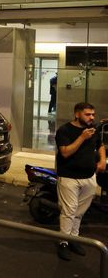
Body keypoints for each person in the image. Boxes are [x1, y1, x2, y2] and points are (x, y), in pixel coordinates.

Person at [54, 102, 106, 260]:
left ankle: (73, 239)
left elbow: (100, 145)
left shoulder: (93, 129)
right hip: (69, 178)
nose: (92, 117)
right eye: (88, 114)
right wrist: (82, 137)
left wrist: (102, 160)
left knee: (79, 212)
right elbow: (65, 153)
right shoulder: (64, 130)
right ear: (77, 114)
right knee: (69, 212)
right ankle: (63, 242)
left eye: (93, 114)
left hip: (89, 177)